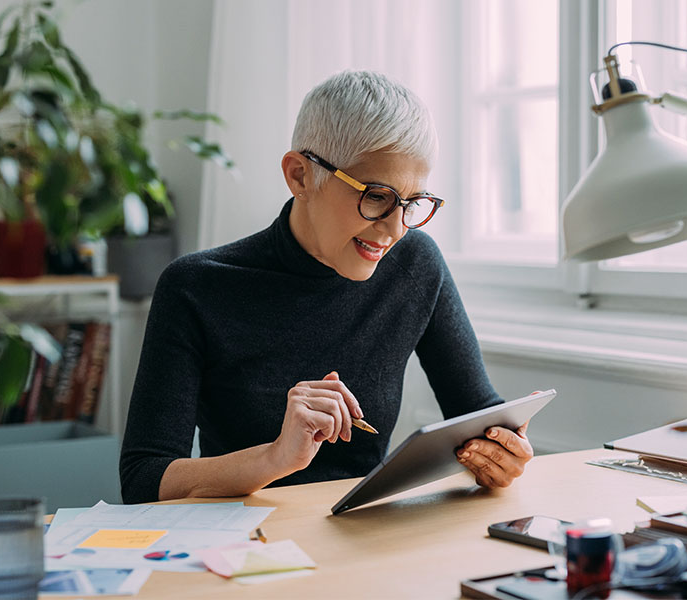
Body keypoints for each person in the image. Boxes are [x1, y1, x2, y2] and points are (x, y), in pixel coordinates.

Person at [119, 70, 534, 504]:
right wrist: (276, 458)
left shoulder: (415, 264)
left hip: (364, 537)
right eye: (376, 196)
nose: (395, 230)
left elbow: (477, 413)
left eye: (412, 204)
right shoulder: (195, 288)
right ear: (300, 176)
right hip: (244, 549)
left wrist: (502, 451)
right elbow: (144, 479)